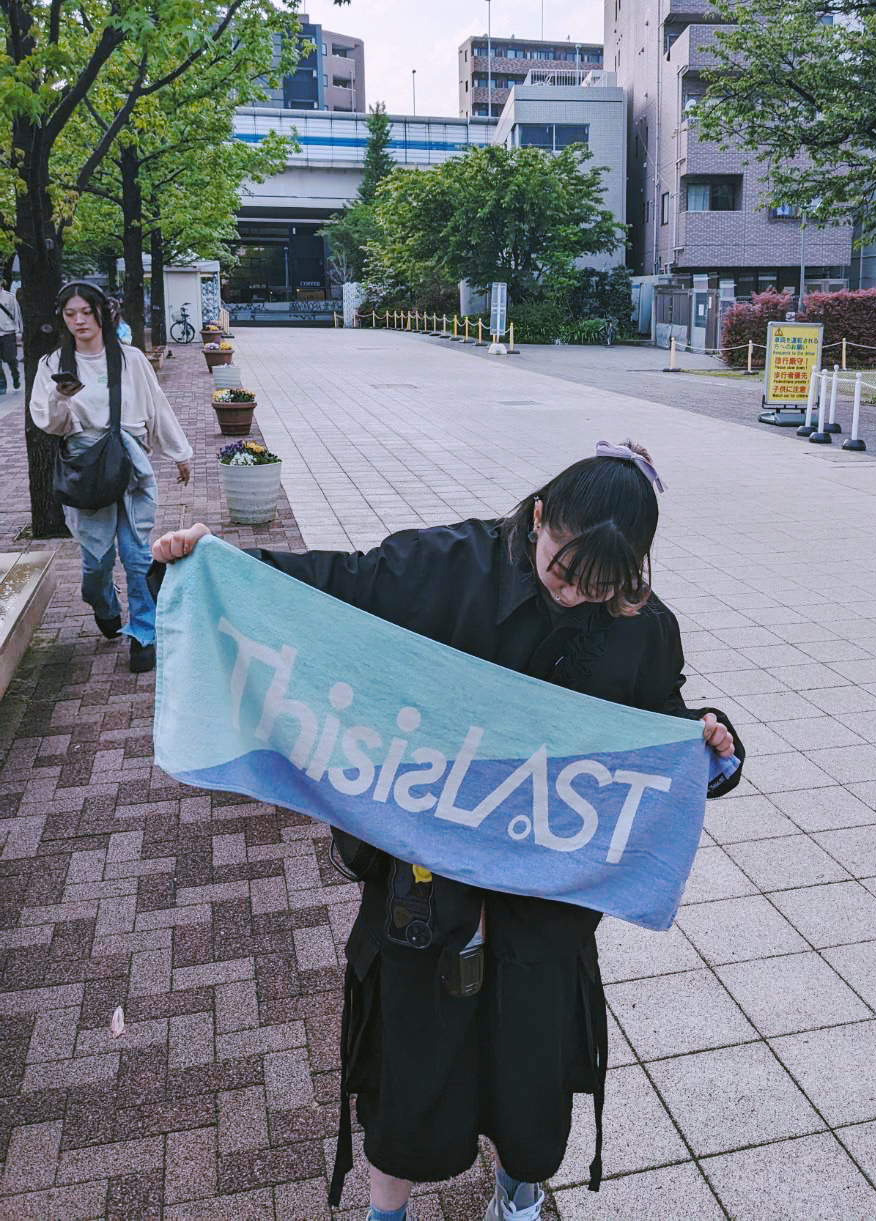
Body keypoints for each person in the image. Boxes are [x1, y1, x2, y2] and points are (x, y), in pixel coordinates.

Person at [152, 442, 742, 1221]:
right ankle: (385, 1210)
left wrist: (709, 745)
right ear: (538, 516)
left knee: (530, 1064)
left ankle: (519, 1188)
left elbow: (661, 718)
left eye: (599, 586)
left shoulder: (641, 623)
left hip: (543, 892)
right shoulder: (446, 566)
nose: (573, 595)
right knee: (409, 1063)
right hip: (427, 879)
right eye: (562, 570)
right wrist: (218, 566)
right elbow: (334, 588)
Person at [31, 280, 192, 673]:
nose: (79, 320)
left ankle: (143, 633)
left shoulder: (130, 359)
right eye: (70, 314)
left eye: (87, 312)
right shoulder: (53, 364)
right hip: (85, 466)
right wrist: (60, 396)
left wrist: (180, 453)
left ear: (102, 313)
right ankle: (104, 603)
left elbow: (157, 405)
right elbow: (49, 423)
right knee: (96, 562)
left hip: (131, 460)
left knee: (137, 555)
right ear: (62, 318)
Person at [0, 277, 21, 394]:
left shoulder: (10, 297)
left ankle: (15, 375)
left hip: (8, 332)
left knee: (10, 358)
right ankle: (2, 384)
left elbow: (17, 315)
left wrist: (18, 332)